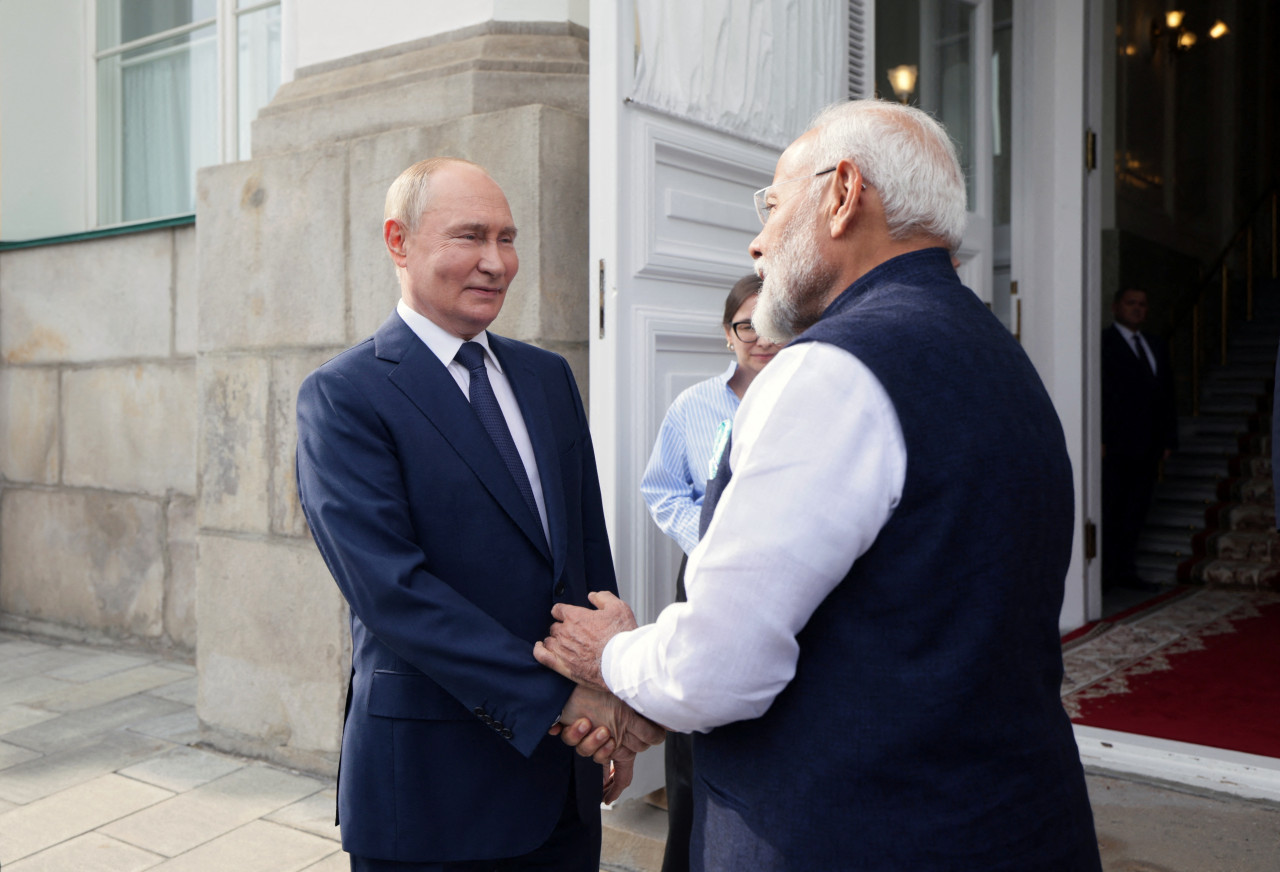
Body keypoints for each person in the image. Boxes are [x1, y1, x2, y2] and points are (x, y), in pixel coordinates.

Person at [534, 100, 1102, 871]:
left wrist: (615, 656)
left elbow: (718, 670)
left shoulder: (832, 368)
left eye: (772, 204)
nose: (758, 241)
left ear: (841, 195)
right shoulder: (1003, 357)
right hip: (1017, 823)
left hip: (860, 836)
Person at [295, 157, 663, 871]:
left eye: (508, 238)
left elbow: (583, 546)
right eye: (470, 237)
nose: (497, 262)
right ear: (397, 242)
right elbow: (394, 595)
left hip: (562, 779)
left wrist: (611, 691)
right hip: (434, 789)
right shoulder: (344, 396)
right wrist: (573, 704)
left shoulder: (546, 375)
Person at [638, 272, 777, 872]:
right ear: (727, 335)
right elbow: (663, 488)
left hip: (784, 584)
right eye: (747, 325)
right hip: (705, 582)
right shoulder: (694, 406)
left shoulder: (811, 403)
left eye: (773, 324)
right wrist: (712, 540)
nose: (760, 337)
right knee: (694, 737)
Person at [1101, 287, 1178, 590]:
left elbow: (1167, 395)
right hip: (1116, 446)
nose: (1137, 309)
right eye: (1131, 303)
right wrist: (1101, 437)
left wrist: (1169, 439)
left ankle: (1127, 571)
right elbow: (1103, 395)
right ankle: (1106, 576)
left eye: (1142, 305)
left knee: (1137, 509)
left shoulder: (1155, 344)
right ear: (1115, 307)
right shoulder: (1104, 344)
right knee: (1112, 509)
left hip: (1149, 445)